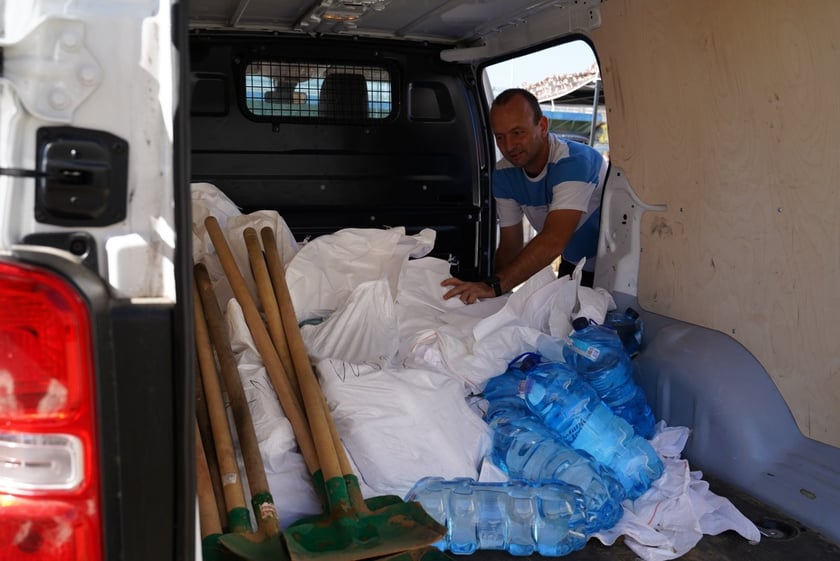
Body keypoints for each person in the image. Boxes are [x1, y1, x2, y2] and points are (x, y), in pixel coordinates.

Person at [442, 88, 606, 304]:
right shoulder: (503, 174)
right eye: (500, 137)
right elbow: (510, 246)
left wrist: (494, 286)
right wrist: (485, 294)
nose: (509, 146)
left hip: (612, 268)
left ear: (543, 126)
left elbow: (554, 239)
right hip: (573, 263)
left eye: (518, 133)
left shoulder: (574, 162)